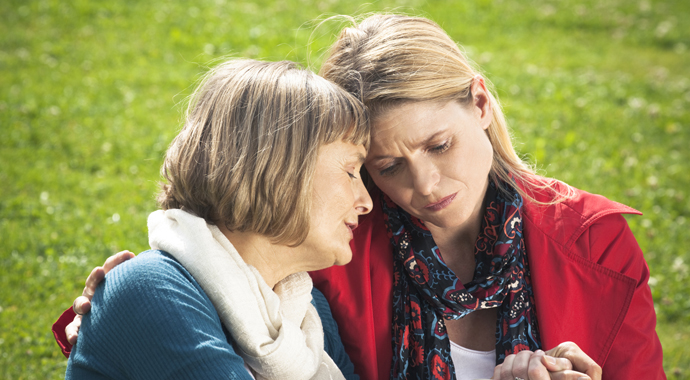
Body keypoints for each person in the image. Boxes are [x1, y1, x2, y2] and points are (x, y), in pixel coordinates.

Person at [54, 14, 664, 380]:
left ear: (480, 104)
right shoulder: (331, 254)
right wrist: (107, 316)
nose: (423, 186)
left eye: (440, 144)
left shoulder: (595, 242)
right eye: (382, 167)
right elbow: (211, 285)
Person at [61, 59, 374, 379]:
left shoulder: (306, 312)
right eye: (351, 171)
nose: (366, 202)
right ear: (279, 168)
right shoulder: (152, 290)